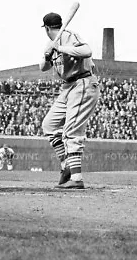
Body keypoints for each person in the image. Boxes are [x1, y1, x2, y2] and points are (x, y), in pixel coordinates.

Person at [39, 12, 100, 189]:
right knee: (49, 125)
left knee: (71, 130)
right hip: (67, 87)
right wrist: (47, 55)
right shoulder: (52, 42)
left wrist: (60, 49)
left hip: (83, 82)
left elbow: (87, 50)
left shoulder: (69, 36)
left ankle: (76, 177)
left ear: (47, 28)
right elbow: (43, 67)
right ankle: (66, 164)